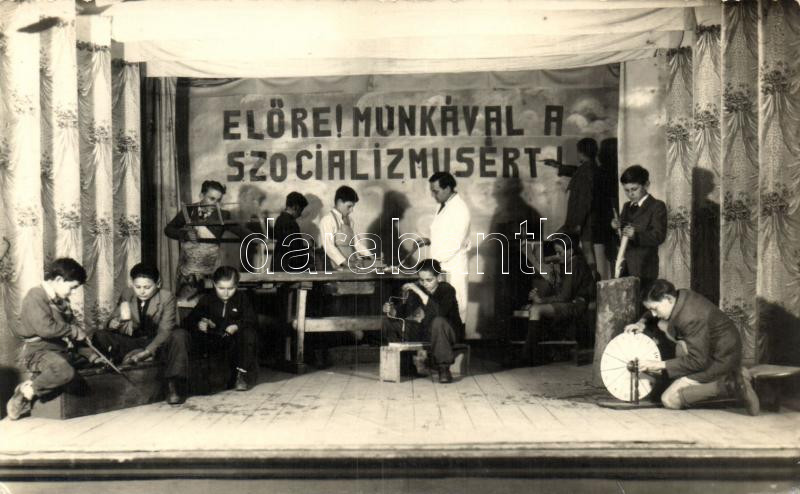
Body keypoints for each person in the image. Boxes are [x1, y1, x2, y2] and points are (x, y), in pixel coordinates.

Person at [624, 279, 760, 415]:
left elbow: (698, 361)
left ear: (668, 298)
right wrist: (641, 323)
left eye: (654, 309)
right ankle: (731, 376)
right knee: (665, 331)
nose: (653, 314)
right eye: (650, 309)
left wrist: (657, 364)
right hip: (717, 348)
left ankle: (729, 384)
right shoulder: (679, 297)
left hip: (720, 359)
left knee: (669, 400)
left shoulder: (690, 317)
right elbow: (653, 311)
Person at [92, 263, 189, 405]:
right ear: (132, 283)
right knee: (100, 335)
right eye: (138, 287)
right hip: (135, 341)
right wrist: (114, 323)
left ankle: (173, 386)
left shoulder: (167, 297)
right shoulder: (127, 293)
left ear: (158, 284)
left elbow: (165, 331)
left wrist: (146, 352)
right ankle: (110, 372)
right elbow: (112, 319)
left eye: (147, 287)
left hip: (157, 342)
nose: (142, 291)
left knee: (180, 335)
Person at [6, 258, 89, 420]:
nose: (73, 293)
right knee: (64, 371)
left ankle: (37, 381)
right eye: (72, 287)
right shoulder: (35, 295)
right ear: (58, 280)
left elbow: (71, 325)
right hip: (38, 352)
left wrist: (86, 346)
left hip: (59, 351)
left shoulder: (61, 300)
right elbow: (45, 329)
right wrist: (73, 331)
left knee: (89, 361)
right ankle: (26, 392)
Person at [164, 180, 252, 300]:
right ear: (201, 196)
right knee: (186, 301)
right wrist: (185, 234)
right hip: (188, 269)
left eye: (218, 200)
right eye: (211, 199)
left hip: (211, 267)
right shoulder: (188, 211)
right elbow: (168, 229)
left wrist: (261, 238)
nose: (215, 204)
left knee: (210, 300)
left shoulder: (223, 215)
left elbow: (240, 231)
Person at [382, 259, 463, 383]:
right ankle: (406, 365)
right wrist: (391, 310)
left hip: (448, 333)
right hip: (428, 330)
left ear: (438, 277)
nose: (425, 284)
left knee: (438, 321)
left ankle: (444, 369)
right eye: (421, 280)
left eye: (429, 280)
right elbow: (405, 311)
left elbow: (439, 313)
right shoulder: (420, 289)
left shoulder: (447, 289)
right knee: (390, 323)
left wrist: (419, 291)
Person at [521, 232, 595, 366]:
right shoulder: (569, 263)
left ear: (570, 251)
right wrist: (540, 297)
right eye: (556, 252)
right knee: (535, 309)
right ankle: (529, 356)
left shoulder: (574, 264)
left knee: (536, 310)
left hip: (577, 305)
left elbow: (564, 296)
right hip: (570, 302)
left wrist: (540, 301)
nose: (557, 256)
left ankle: (528, 357)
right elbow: (562, 292)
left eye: (560, 253)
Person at [183, 266, 259, 391]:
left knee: (249, 334)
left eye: (231, 288)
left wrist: (236, 326)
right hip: (215, 342)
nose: (226, 293)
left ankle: (242, 374)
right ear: (214, 284)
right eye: (221, 288)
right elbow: (188, 321)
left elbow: (252, 320)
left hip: (235, 343)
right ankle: (203, 375)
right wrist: (200, 323)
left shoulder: (242, 299)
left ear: (237, 285)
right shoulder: (207, 300)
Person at [610, 165, 667, 291]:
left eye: (634, 189)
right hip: (624, 265)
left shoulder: (657, 206)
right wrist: (616, 227)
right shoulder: (626, 206)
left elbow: (659, 236)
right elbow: (621, 235)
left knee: (642, 299)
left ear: (646, 185)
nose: (630, 194)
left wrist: (635, 235)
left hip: (645, 267)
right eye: (626, 190)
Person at [425, 172, 471, 325]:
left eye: (436, 191)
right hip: (441, 264)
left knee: (456, 308)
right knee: (441, 309)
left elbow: (454, 243)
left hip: (453, 266)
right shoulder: (443, 205)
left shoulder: (459, 209)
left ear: (448, 188)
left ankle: (457, 338)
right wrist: (428, 241)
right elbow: (444, 234)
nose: (433, 195)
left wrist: (432, 263)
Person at [319, 185, 375, 271]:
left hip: (351, 264)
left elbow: (356, 243)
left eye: (353, 207)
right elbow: (329, 246)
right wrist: (348, 263)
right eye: (349, 206)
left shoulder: (350, 221)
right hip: (336, 266)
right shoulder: (328, 220)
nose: (352, 210)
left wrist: (371, 257)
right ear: (339, 202)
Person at [273, 191, 312, 272]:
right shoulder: (291, 223)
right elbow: (294, 248)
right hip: (288, 267)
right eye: (301, 210)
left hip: (278, 264)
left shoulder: (279, 219)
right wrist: (307, 251)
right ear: (296, 207)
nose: (300, 214)